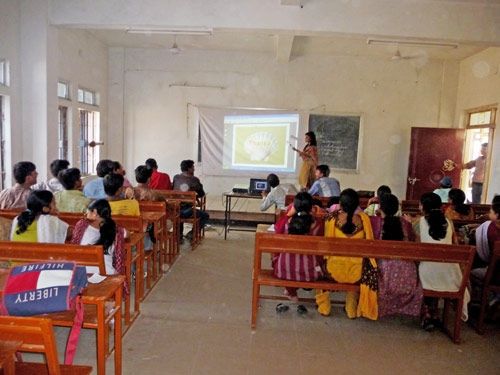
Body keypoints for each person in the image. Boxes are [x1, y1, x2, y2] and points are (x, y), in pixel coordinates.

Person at [316, 188, 376, 319]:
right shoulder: (365, 220)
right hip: (357, 273)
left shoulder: (331, 219)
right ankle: (351, 309)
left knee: (320, 267)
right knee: (356, 264)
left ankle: (324, 307)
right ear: (357, 205)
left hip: (333, 271)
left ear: (340, 204)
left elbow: (324, 247)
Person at [415, 192, 469, 329]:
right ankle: (433, 312)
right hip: (451, 276)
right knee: (438, 268)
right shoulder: (449, 223)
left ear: (423, 207)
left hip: (427, 276)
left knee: (424, 267)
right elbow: (455, 247)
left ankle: (428, 311)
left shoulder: (419, 223)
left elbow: (417, 250)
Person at [370, 194, 422, 318]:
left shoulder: (376, 222)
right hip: (408, 274)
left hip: (385, 273)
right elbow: (414, 239)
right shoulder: (405, 223)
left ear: (380, 208)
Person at [273, 194, 323, 314]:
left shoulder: (286, 223)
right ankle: (292, 291)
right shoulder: (318, 225)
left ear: (294, 206)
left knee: (287, 261)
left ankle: (291, 291)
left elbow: (277, 232)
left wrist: (288, 214)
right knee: (305, 264)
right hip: (310, 273)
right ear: (312, 207)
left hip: (283, 271)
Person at [70, 199, 126, 276]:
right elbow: (127, 234)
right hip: (107, 273)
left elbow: (73, 247)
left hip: (82, 272)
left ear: (95, 213)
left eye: (88, 211)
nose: (85, 213)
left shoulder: (81, 225)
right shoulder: (116, 230)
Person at [172, 160, 209, 239]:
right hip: (186, 211)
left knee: (179, 211)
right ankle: (192, 233)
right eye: (193, 167)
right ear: (189, 169)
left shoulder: (176, 177)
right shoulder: (194, 180)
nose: (194, 169)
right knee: (205, 216)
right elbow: (202, 194)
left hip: (174, 209)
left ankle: (179, 235)